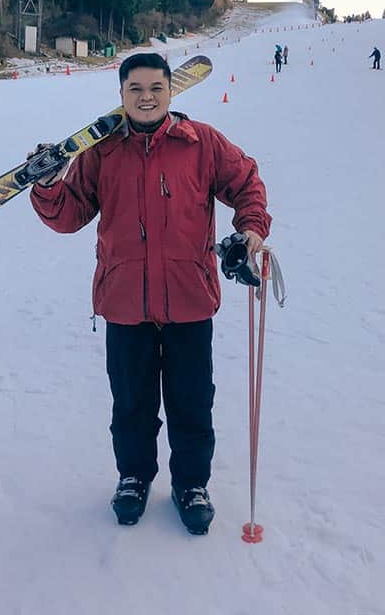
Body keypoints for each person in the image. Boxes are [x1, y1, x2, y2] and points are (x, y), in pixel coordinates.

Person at [28, 52, 271, 536]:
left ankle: (191, 485)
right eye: (135, 89)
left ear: (170, 92)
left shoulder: (201, 144)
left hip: (188, 299)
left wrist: (250, 232)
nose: (145, 97)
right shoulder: (101, 151)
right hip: (124, 301)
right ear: (121, 96)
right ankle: (133, 478)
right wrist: (50, 186)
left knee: (192, 402)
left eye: (155, 88)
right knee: (132, 403)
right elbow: (70, 215)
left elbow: (247, 184)